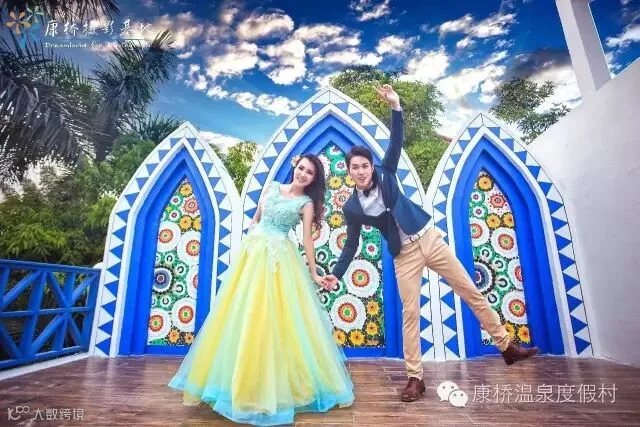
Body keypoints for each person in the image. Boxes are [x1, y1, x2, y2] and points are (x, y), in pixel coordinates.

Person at [322, 83, 539, 403]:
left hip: (429, 239)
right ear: (349, 171)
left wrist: (396, 106)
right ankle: (415, 378)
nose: (361, 171)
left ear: (371, 166)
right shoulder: (352, 208)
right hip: (404, 255)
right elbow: (350, 245)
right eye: (355, 167)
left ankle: (507, 347)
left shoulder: (385, 172)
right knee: (410, 314)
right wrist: (336, 274)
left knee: (470, 289)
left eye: (365, 165)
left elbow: (396, 141)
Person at [169, 154, 354, 426]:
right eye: (302, 168)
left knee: (274, 320)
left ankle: (274, 386)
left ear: (314, 179)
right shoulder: (272, 188)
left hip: (279, 261)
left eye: (310, 173)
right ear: (295, 167)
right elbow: (256, 218)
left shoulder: (305, 204)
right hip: (253, 257)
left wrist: (314, 273)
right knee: (242, 316)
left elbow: (306, 240)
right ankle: (236, 383)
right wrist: (253, 238)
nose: (303, 174)